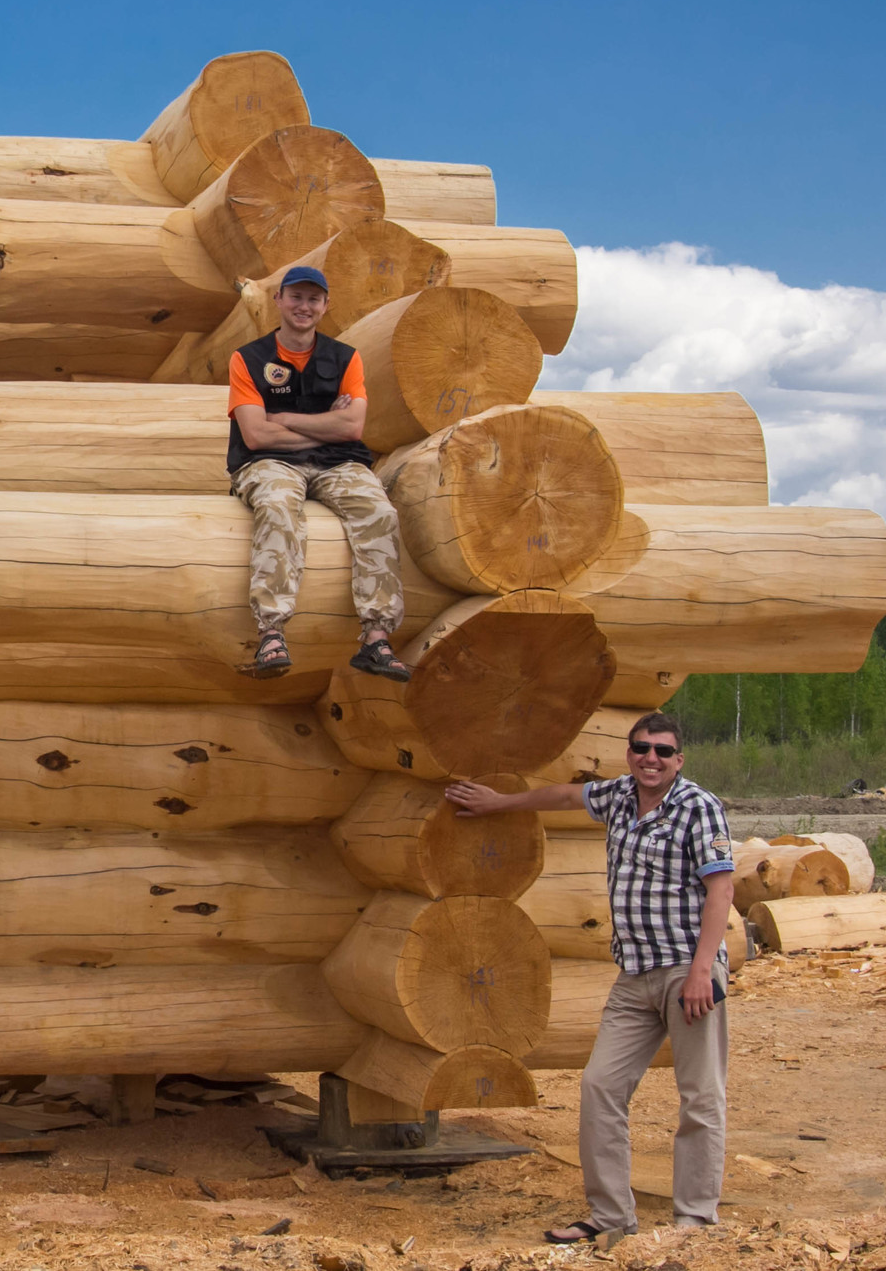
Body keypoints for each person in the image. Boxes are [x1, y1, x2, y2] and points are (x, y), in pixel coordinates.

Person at [445, 712, 735, 1245]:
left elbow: (721, 892)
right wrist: (498, 803)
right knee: (600, 1086)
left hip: (685, 972)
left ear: (679, 759)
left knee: (699, 1096)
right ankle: (610, 1216)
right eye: (642, 748)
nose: (651, 758)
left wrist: (702, 971)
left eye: (663, 752)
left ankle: (693, 1220)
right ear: (629, 753)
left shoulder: (698, 807)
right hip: (634, 976)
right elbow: (560, 797)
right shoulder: (619, 796)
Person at [227, 266, 411, 680]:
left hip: (339, 463)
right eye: (296, 297)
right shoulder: (248, 359)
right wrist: (323, 426)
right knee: (277, 506)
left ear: (326, 305)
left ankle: (376, 638)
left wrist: (286, 419)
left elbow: (352, 428)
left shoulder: (346, 358)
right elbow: (255, 435)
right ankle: (271, 632)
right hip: (268, 463)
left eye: (313, 299)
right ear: (278, 300)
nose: (304, 306)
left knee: (379, 512)